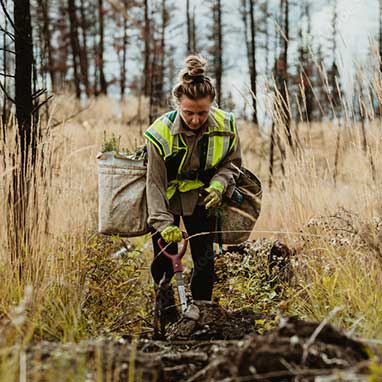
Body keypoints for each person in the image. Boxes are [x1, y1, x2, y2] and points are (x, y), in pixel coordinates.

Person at [144, 54, 242, 323]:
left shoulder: (226, 126)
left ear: (212, 105)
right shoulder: (159, 133)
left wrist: (219, 186)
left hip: (202, 199)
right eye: (188, 113)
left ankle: (201, 317)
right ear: (177, 105)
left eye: (202, 112)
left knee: (205, 261)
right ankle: (165, 320)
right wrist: (164, 224)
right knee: (163, 264)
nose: (196, 119)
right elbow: (154, 184)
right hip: (166, 201)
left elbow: (233, 164)